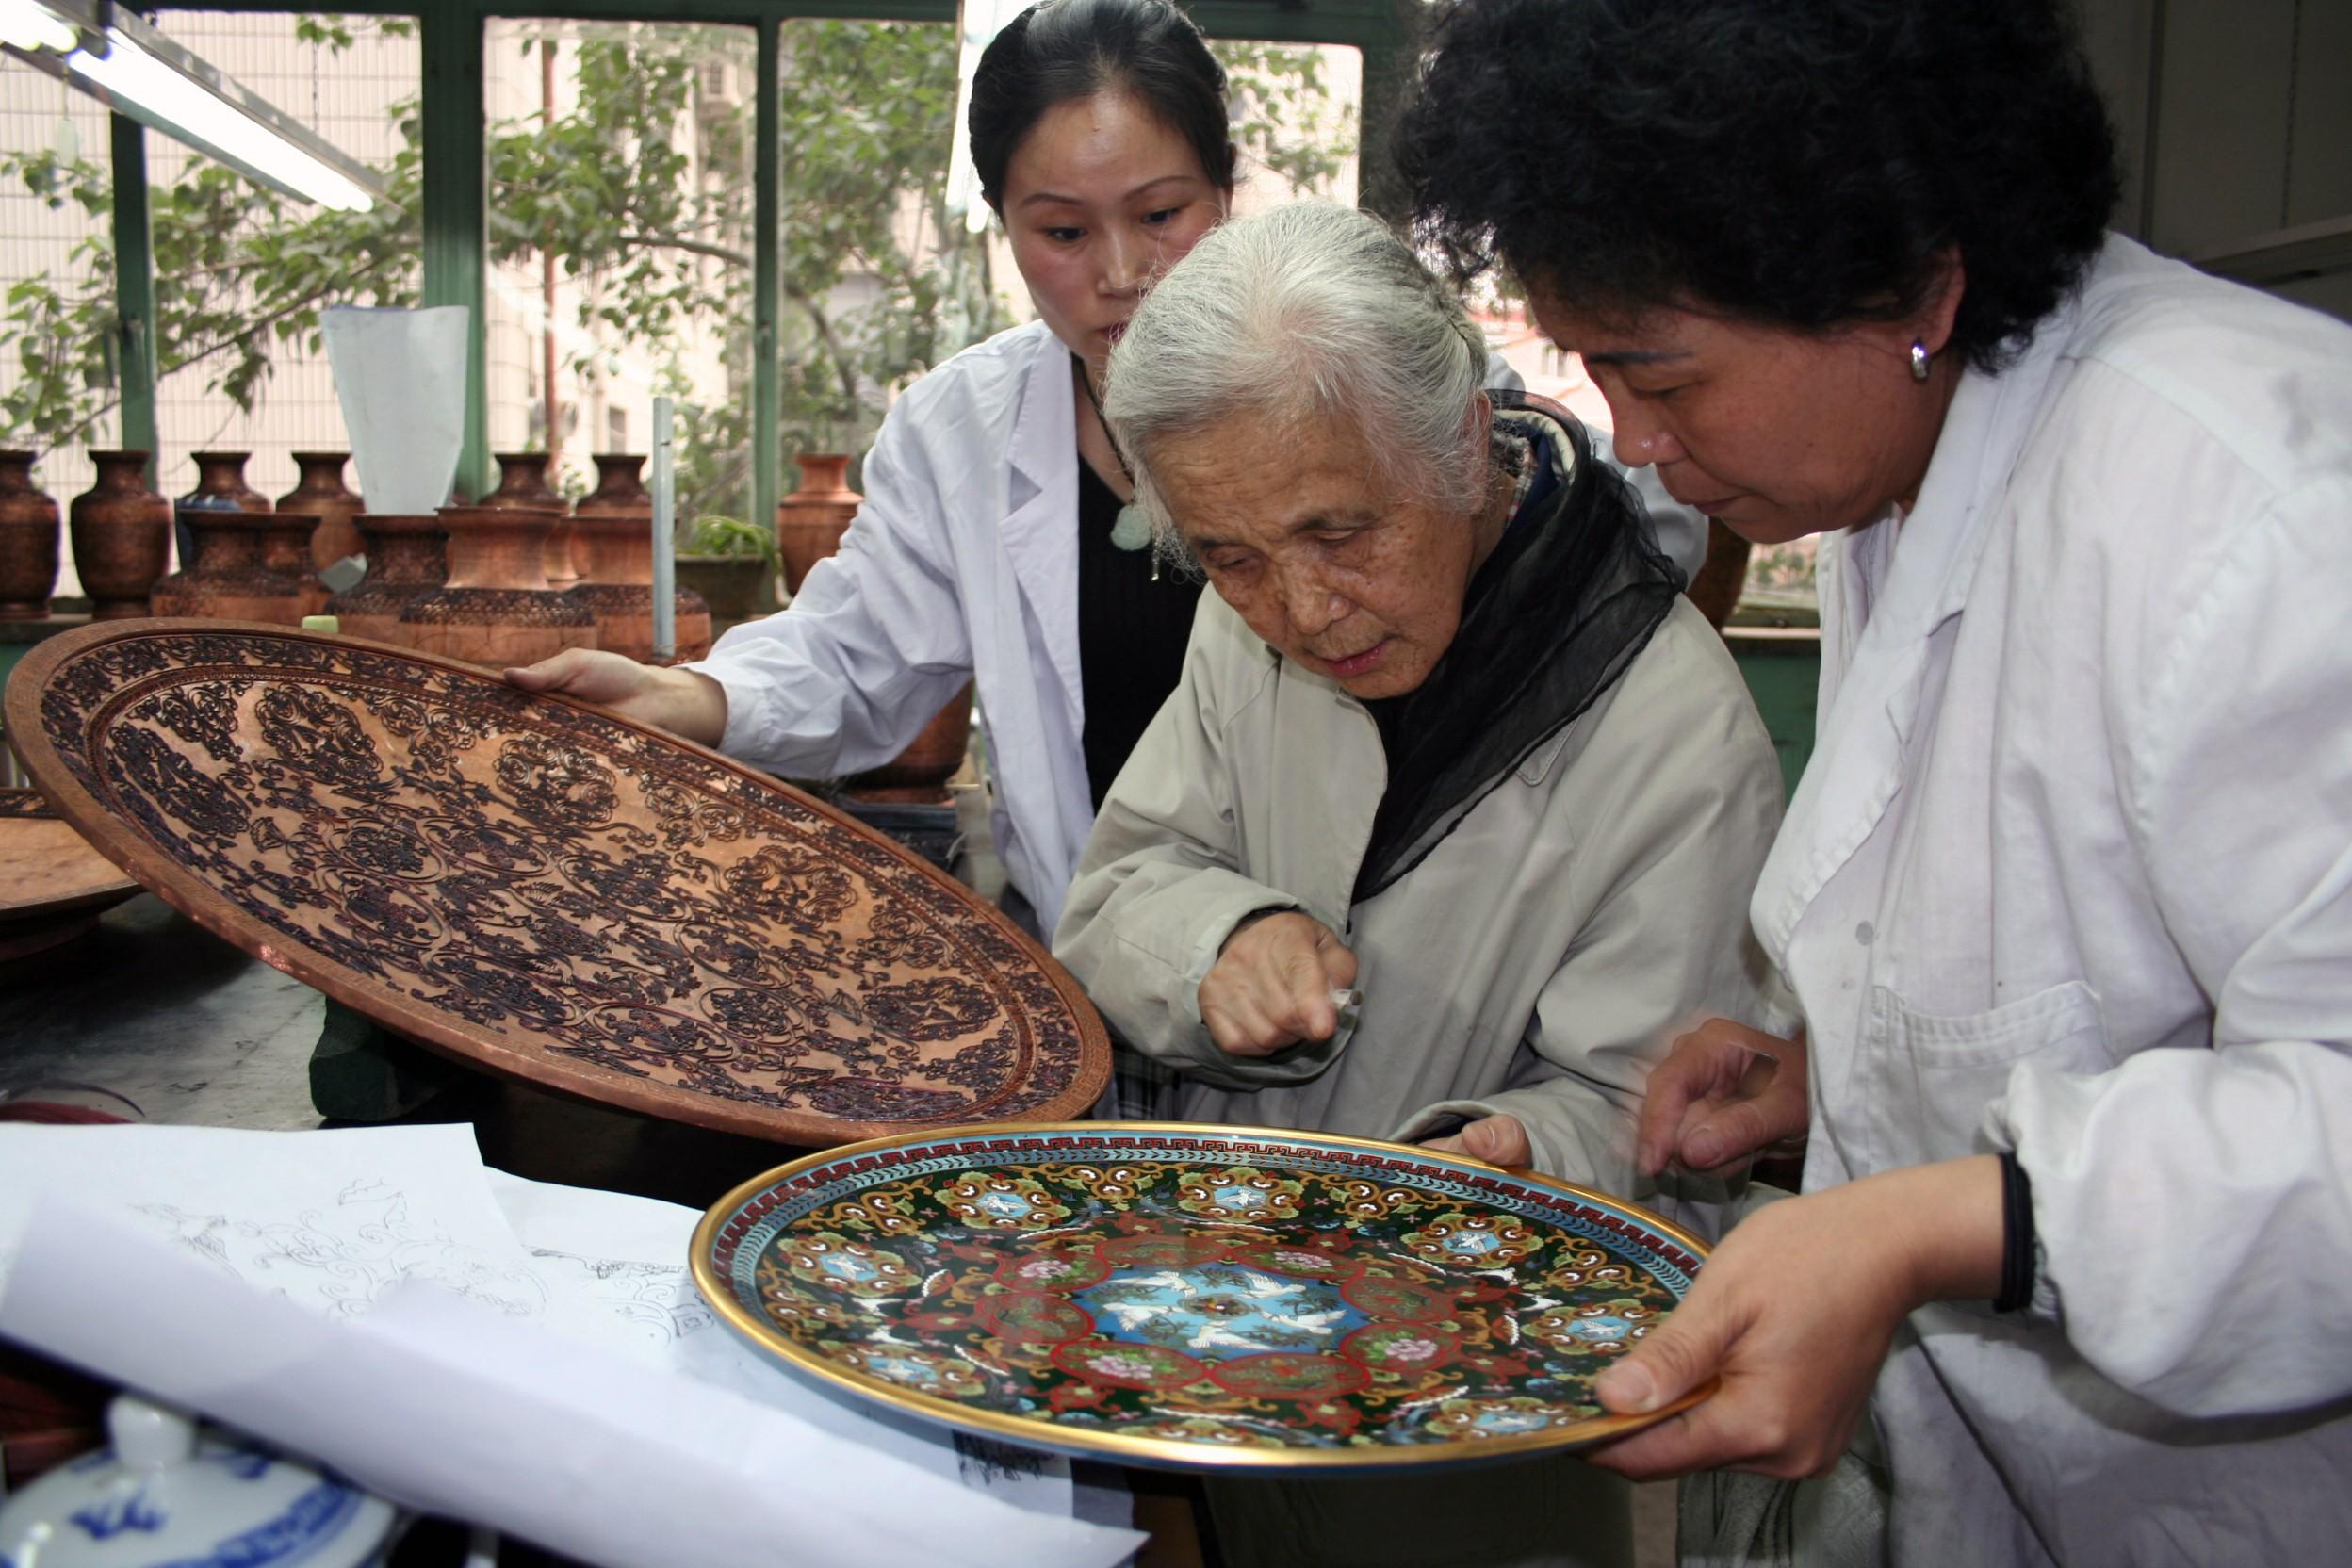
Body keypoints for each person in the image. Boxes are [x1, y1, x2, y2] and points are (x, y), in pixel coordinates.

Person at [1398, 1, 2352, 1562]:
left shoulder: (2257, 508)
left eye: (1665, 375)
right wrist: (1840, 1077)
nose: (1635, 443)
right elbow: (2085, 966)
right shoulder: (1899, 469)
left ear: (1912, 282)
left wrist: (1929, 1217)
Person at [506, 0, 1707, 956]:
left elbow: (1620, 533)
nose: (1124, 273)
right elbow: (854, 652)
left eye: (1162, 211)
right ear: (1004, 225)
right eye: (1063, 232)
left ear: (1224, 192)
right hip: (1123, 967)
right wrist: (691, 700)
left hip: (1396, 986)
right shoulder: (964, 432)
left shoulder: (1385, 381)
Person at [1054, 201, 1788, 1568]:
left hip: (1465, 1418)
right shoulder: (1247, 620)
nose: (1301, 609)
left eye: (1343, 532)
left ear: (1463, 442)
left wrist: (1516, 1159)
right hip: (1192, 1332)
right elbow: (1121, 891)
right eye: (1230, 556)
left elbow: (1670, 1117)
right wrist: (1225, 936)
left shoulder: (1673, 731)